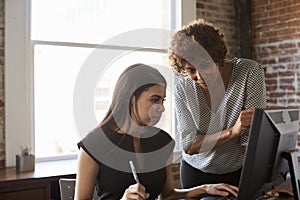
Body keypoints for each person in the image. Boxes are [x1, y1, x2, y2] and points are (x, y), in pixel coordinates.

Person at [74, 63, 238, 200]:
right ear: (131, 98)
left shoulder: (162, 141)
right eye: (154, 99)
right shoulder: (94, 145)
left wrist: (205, 188)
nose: (161, 107)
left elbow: (167, 195)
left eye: (162, 100)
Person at [168, 19, 267, 188]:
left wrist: (266, 181)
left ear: (218, 56)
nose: (200, 77)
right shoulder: (183, 89)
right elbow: (190, 146)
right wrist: (232, 131)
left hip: (238, 171)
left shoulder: (249, 72)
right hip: (195, 174)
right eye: (191, 70)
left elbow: (252, 138)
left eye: (206, 65)